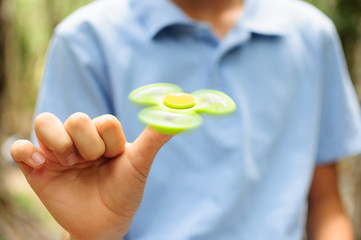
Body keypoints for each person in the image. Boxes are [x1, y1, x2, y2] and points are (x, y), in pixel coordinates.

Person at [10, 0, 361, 239]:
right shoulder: (85, 41)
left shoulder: (311, 35)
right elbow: (84, 215)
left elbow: (325, 205)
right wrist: (93, 234)